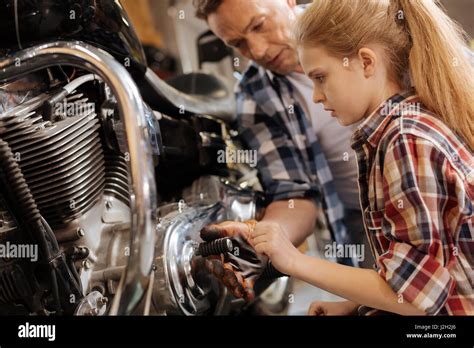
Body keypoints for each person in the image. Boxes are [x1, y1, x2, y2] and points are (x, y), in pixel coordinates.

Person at [247, 0, 474, 315]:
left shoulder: (405, 142)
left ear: (366, 62)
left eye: (321, 77)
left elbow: (419, 302)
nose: (315, 95)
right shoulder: (405, 126)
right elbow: (416, 271)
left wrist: (295, 261)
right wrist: (353, 306)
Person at [193, 0, 371, 303]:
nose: (258, 51)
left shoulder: (363, 18)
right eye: (238, 44)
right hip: (364, 219)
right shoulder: (255, 97)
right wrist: (258, 240)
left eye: (259, 25)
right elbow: (294, 195)